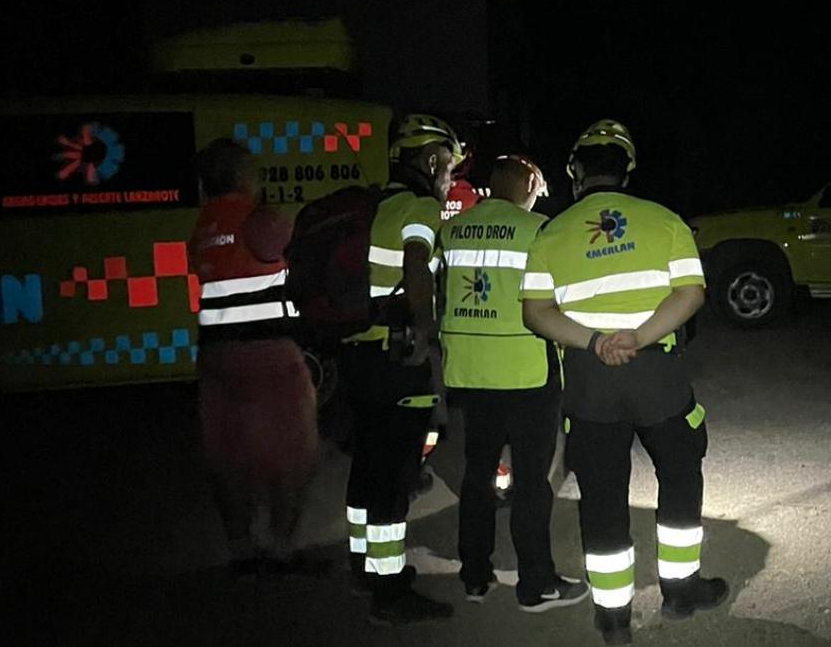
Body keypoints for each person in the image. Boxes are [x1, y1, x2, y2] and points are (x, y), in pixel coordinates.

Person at [520, 120, 728, 644]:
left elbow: (535, 313)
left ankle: (613, 617)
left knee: (602, 494)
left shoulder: (552, 232)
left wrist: (595, 342)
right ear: (627, 168)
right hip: (657, 372)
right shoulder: (664, 221)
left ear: (576, 171)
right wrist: (636, 336)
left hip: (590, 379)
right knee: (680, 474)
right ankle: (680, 591)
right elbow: (691, 294)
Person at [440, 155, 590, 611]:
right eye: (537, 187)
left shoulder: (453, 229)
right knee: (531, 482)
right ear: (527, 183)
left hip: (469, 372)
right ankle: (535, 583)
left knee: (477, 472)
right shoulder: (538, 231)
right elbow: (562, 299)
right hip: (527, 373)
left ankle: (475, 575)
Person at [339, 113, 458, 625]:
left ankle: (363, 566)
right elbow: (417, 265)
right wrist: (424, 335)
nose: (450, 174)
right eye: (449, 163)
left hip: (359, 353)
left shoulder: (376, 202)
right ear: (431, 159)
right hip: (396, 356)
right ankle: (389, 593)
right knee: (394, 474)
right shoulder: (419, 206)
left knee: (366, 465)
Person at [189, 139, 321, 576]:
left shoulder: (204, 225)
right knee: (295, 451)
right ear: (244, 176)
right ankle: (281, 547)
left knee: (228, 456)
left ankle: (241, 548)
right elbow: (297, 255)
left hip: (216, 356)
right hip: (269, 354)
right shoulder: (258, 220)